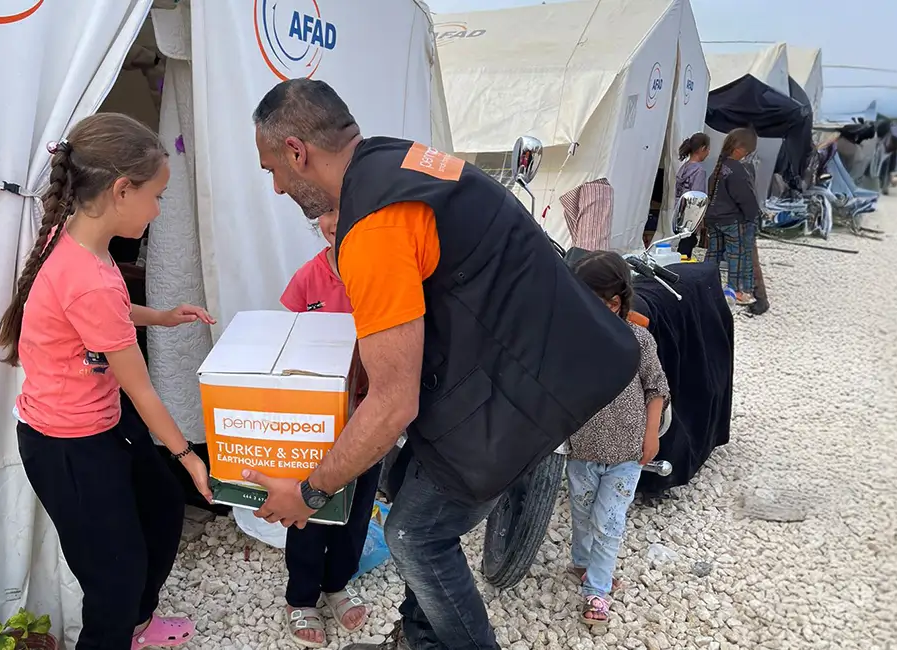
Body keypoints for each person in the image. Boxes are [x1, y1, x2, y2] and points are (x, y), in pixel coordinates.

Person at [244, 78, 640, 650]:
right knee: (405, 480)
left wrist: (307, 491)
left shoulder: (374, 225)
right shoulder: (395, 159)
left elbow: (393, 402)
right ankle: (421, 638)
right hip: (532, 355)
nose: (278, 188)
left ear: (297, 152)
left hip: (528, 384)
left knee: (413, 536)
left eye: (272, 170)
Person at [0, 113, 218, 650]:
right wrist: (190, 457)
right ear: (121, 190)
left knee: (162, 510)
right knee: (112, 581)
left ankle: (138, 625)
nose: (159, 210)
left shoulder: (76, 238)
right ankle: (117, 631)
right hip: (67, 446)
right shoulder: (86, 274)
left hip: (101, 421)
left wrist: (159, 317)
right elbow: (142, 388)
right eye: (157, 196)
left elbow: (104, 313)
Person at [275, 210, 381, 648]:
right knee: (308, 509)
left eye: (344, 209)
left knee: (357, 508)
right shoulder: (307, 279)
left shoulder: (381, 271)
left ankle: (336, 583)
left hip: (372, 413)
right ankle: (300, 598)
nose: (334, 221)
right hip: (316, 419)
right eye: (324, 213)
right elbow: (282, 342)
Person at [563, 251, 669, 626]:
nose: (604, 310)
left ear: (622, 301)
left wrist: (651, 434)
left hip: (627, 453)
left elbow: (656, 388)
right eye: (595, 302)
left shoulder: (639, 340)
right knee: (582, 512)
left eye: (612, 303)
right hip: (582, 449)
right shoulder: (571, 343)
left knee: (609, 523)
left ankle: (597, 591)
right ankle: (583, 563)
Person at [700, 127, 770, 312]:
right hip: (732, 220)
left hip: (713, 218)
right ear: (741, 149)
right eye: (748, 151)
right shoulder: (737, 170)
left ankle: (706, 288)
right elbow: (745, 198)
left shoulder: (719, 168)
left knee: (713, 255)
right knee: (736, 256)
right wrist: (753, 217)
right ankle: (737, 291)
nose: (748, 154)